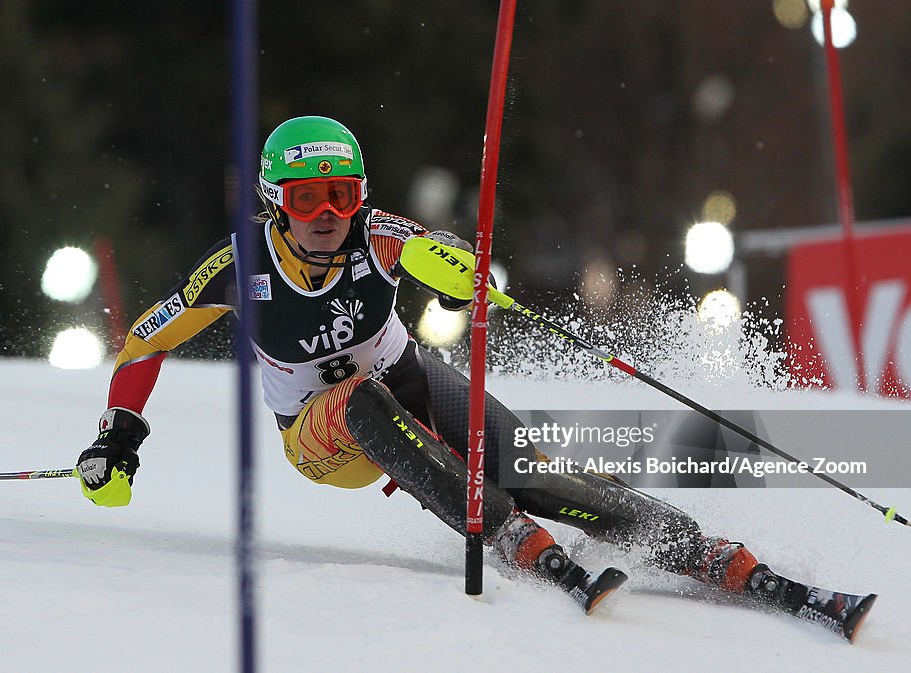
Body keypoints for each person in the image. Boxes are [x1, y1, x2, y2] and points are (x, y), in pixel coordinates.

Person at [72, 116, 811, 614]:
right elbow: (145, 339)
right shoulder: (241, 268)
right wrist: (117, 436)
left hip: (410, 384)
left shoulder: (376, 234)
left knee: (530, 465)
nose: (328, 213)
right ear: (275, 204)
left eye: (342, 194)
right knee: (361, 398)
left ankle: (706, 551)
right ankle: (506, 531)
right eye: (307, 198)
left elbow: (434, 254)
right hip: (321, 437)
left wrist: (461, 272)